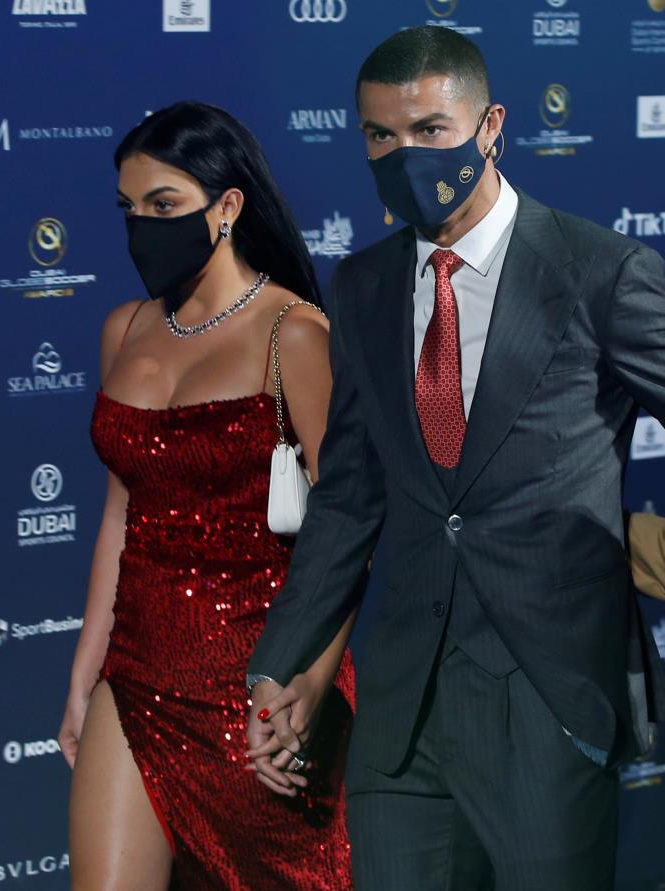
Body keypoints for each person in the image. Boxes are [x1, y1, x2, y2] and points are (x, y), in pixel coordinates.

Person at [246, 26, 665, 891]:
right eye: (380, 135)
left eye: (430, 129)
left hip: (550, 697)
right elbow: (349, 495)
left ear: (491, 126)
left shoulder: (601, 271)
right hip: (402, 708)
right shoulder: (362, 285)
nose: (405, 155)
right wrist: (281, 661)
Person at [58, 101, 354, 891]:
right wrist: (87, 672)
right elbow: (120, 514)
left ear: (227, 206)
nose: (143, 228)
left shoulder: (295, 334)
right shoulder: (124, 330)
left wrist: (309, 682)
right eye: (129, 209)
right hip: (136, 673)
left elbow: (345, 535)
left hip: (258, 683)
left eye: (164, 206)